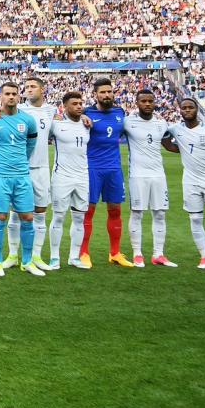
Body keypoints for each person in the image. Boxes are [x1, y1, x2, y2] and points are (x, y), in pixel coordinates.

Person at [0, 82, 45, 277]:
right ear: (1, 96)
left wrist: (21, 161)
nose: (11, 97)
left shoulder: (28, 120)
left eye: (14, 94)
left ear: (19, 96)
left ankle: (27, 261)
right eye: (7, 93)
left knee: (28, 217)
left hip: (22, 175)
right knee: (0, 217)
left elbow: (31, 144)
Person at [162, 98, 205, 273]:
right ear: (180, 111)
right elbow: (165, 140)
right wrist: (180, 149)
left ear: (196, 109)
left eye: (190, 107)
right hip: (190, 181)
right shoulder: (176, 129)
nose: (187, 110)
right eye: (183, 108)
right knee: (195, 219)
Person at [79, 78, 133, 268]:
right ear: (95, 94)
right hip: (92, 167)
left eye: (109, 91)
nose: (107, 95)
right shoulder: (86, 113)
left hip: (114, 168)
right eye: (102, 92)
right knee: (88, 211)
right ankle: (83, 252)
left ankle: (115, 253)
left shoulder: (120, 112)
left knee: (115, 210)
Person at [8, 77, 57, 271]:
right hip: (20, 169)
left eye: (32, 87)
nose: (28, 90)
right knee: (14, 213)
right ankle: (12, 255)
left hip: (42, 168)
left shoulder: (52, 110)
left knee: (40, 213)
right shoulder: (18, 110)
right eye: (26, 87)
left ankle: (36, 256)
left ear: (42, 89)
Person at [123, 89, 175, 268]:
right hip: (137, 174)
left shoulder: (162, 124)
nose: (147, 104)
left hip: (159, 175)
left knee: (160, 213)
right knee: (137, 213)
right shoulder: (128, 122)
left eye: (150, 101)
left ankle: (158, 254)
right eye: (143, 101)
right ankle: (137, 253)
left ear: (155, 103)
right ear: (136, 103)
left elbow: (169, 145)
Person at [48, 92, 92, 270]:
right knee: (58, 216)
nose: (79, 106)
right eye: (74, 104)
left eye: (81, 103)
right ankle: (54, 257)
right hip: (61, 177)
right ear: (65, 107)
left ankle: (74, 257)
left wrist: (85, 116)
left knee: (79, 218)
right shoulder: (56, 124)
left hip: (82, 177)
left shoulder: (86, 124)